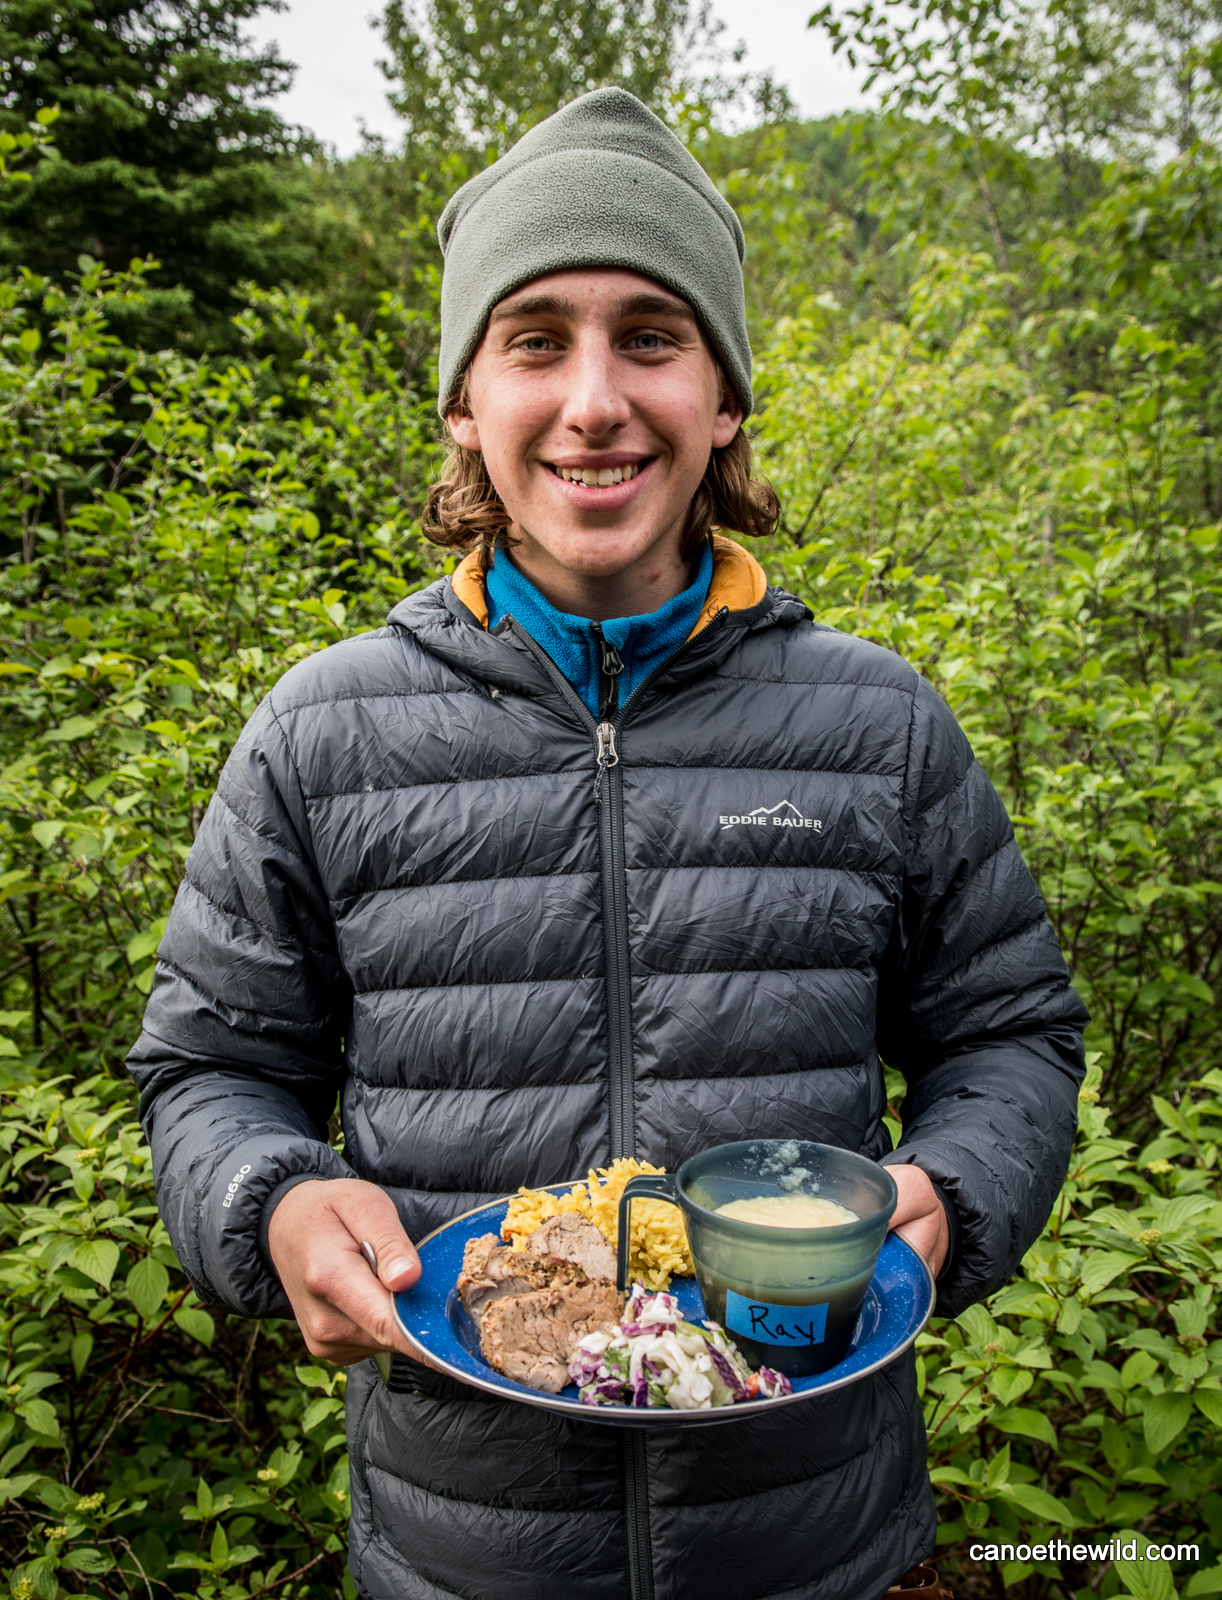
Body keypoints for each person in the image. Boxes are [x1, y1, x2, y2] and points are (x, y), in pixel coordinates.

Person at [128, 88, 1088, 1600]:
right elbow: (210, 1067)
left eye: (650, 335)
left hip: (807, 1534)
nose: (592, 399)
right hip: (463, 1546)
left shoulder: (876, 726)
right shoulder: (324, 735)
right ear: (463, 402)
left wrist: (956, 1188)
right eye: (533, 339)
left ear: (722, 396)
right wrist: (270, 1199)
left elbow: (1012, 1032)